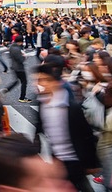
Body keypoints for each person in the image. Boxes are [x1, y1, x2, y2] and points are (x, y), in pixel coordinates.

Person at [34, 64, 99, 192]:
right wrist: (34, 152)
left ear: (56, 82)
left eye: (46, 80)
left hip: (75, 160)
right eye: (39, 80)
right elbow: (39, 127)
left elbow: (86, 135)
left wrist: (91, 163)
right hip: (57, 160)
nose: (42, 84)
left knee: (82, 185)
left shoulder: (71, 107)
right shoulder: (42, 103)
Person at [2, 35, 30, 102]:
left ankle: (7, 89)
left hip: (13, 66)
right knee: (24, 82)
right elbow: (20, 59)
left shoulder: (11, 47)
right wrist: (24, 57)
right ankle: (22, 97)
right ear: (20, 41)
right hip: (19, 68)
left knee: (16, 80)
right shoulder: (17, 49)